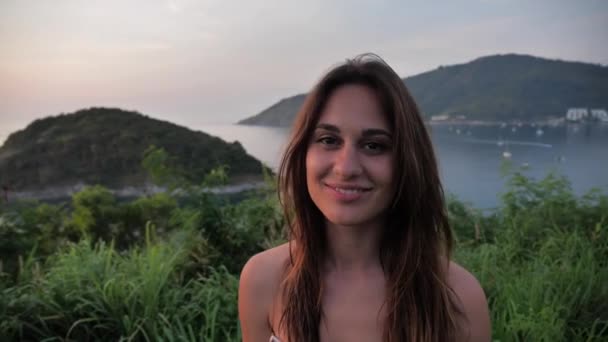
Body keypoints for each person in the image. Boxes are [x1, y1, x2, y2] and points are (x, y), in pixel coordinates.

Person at [238, 54, 491, 342]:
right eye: (328, 140)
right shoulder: (262, 279)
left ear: (407, 162)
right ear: (304, 153)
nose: (346, 168)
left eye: (374, 145)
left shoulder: (458, 298)